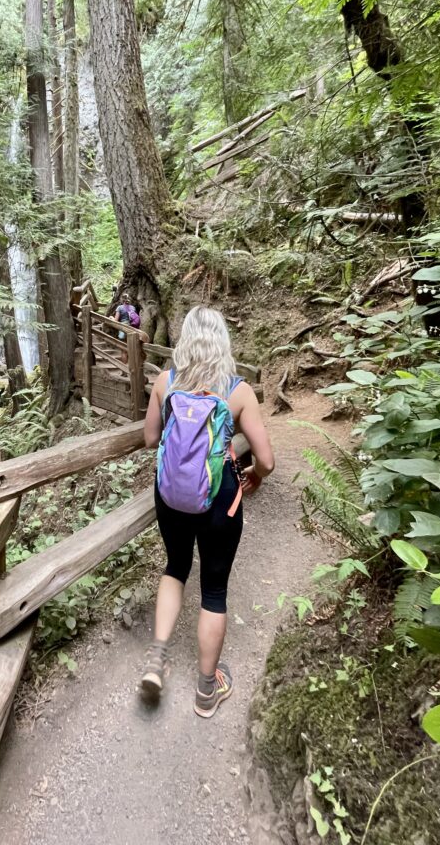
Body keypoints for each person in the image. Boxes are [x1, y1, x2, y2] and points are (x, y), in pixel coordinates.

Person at [140, 306, 274, 717]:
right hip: (219, 500)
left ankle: (156, 661)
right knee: (214, 588)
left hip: (171, 498)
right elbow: (267, 460)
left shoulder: (166, 381)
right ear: (222, 342)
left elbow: (150, 439)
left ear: (185, 340)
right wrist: (253, 475)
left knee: (175, 567)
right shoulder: (238, 391)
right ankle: (205, 690)